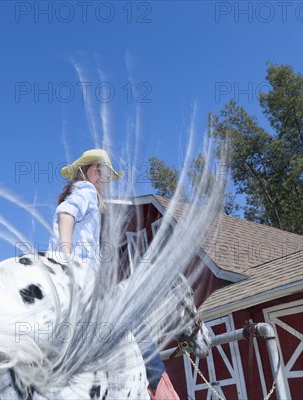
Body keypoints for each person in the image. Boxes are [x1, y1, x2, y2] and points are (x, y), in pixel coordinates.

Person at [49, 148, 180, 399]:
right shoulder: (85, 191)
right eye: (101, 171)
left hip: (73, 278)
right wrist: (66, 257)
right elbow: (66, 213)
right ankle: (161, 390)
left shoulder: (84, 195)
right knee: (134, 323)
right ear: (88, 171)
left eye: (107, 174)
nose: (104, 179)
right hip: (80, 277)